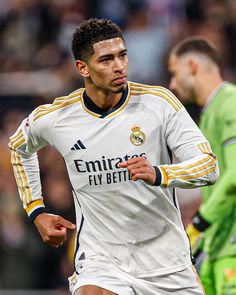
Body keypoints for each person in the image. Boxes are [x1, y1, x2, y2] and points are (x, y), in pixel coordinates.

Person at [9, 19, 219, 295]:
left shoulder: (159, 104)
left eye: (122, 55)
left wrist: (161, 173)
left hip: (167, 262)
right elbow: (18, 147)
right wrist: (36, 210)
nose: (119, 66)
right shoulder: (57, 117)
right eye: (106, 60)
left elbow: (209, 166)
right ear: (82, 68)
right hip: (102, 262)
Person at [168, 36, 236, 295]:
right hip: (218, 247)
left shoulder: (230, 102)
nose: (172, 84)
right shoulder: (209, 113)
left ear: (193, 66)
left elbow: (235, 175)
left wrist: (198, 225)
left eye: (174, 73)